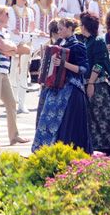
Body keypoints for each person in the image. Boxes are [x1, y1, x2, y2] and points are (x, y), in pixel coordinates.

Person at [32, 17, 91, 152]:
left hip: (71, 89)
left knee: (66, 124)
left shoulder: (78, 46)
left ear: (70, 28)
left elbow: (83, 69)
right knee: (48, 119)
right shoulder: (59, 44)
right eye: (57, 29)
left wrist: (64, 64)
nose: (58, 31)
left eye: (61, 28)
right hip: (56, 88)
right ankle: (47, 150)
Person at [0, 5, 29, 146]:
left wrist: (9, 49)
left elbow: (8, 51)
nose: (8, 16)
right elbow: (2, 46)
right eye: (6, 13)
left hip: (3, 71)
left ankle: (14, 136)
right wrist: (11, 48)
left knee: (11, 103)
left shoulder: (5, 31)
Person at [79, 12, 110, 152]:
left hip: (98, 85)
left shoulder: (98, 41)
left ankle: (107, 147)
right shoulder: (86, 41)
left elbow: (99, 64)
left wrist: (91, 83)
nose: (80, 27)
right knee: (91, 118)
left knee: (101, 117)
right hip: (88, 83)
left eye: (81, 24)